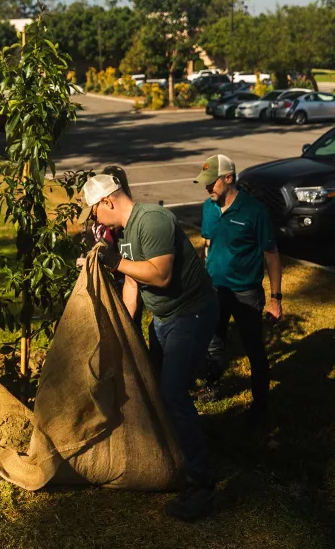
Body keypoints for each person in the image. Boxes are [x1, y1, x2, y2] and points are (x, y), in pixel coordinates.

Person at [81, 173, 218, 522]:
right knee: (158, 386)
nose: (96, 221)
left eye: (94, 212)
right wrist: (126, 328)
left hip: (192, 314)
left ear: (107, 201)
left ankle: (202, 485)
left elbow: (159, 275)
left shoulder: (153, 220)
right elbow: (132, 281)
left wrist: (112, 261)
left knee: (172, 392)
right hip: (164, 317)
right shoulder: (126, 233)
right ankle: (178, 454)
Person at [195, 155, 282, 423]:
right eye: (205, 184)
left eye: (212, 183)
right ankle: (212, 386)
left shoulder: (254, 212)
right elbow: (206, 244)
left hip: (246, 293)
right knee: (213, 343)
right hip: (215, 291)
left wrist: (276, 298)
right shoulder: (209, 208)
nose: (207, 188)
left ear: (229, 179)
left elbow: (271, 255)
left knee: (254, 349)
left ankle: (260, 406)